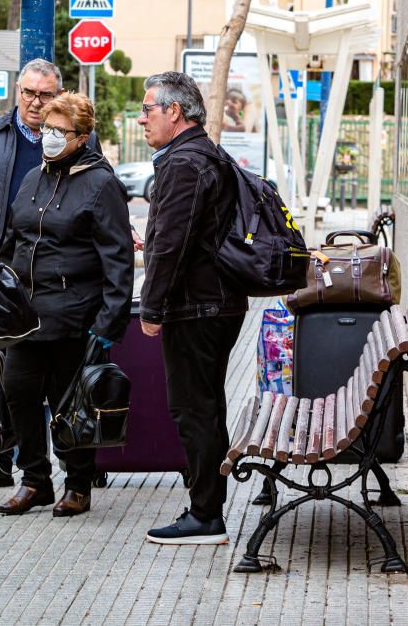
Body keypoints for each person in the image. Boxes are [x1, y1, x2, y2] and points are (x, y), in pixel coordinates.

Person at [0, 59, 109, 491]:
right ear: (17, 92)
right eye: (29, 93)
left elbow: (102, 210)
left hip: (62, 292)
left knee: (59, 388)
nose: (37, 103)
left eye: (46, 95)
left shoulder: (82, 146)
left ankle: (76, 474)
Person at [0, 92, 133, 517]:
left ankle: (77, 481)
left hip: (74, 315)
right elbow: (13, 238)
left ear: (83, 137)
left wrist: (108, 323)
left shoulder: (100, 183)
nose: (49, 138)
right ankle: (35, 479)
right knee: (18, 392)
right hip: (26, 313)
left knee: (67, 401)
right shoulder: (33, 178)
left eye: (60, 131)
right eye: (46, 130)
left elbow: (119, 258)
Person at [137, 72, 248, 544]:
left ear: (174, 112)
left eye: (147, 110)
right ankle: (206, 505)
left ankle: (205, 515)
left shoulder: (185, 163)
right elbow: (179, 236)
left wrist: (151, 307)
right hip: (214, 302)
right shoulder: (203, 154)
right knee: (204, 406)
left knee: (193, 409)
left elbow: (174, 246)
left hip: (198, 307)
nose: (141, 119)